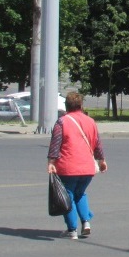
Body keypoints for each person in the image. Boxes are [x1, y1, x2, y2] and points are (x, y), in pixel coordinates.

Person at [47, 92, 107, 239]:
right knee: (80, 194)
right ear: (81, 105)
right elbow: (97, 144)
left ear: (66, 106)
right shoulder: (90, 121)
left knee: (68, 196)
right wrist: (101, 160)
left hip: (68, 167)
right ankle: (86, 222)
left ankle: (72, 230)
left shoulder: (62, 122)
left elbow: (56, 143)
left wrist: (51, 162)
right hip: (87, 168)